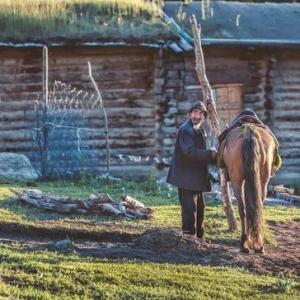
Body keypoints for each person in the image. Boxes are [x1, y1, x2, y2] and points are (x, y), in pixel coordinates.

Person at [166, 101, 218, 239]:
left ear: (204, 117)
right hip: (186, 178)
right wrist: (210, 154)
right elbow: (190, 152)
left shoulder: (199, 130)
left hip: (195, 178)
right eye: (195, 112)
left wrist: (214, 156)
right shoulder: (186, 130)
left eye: (201, 113)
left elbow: (201, 151)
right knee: (190, 210)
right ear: (189, 114)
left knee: (199, 209)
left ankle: (199, 238)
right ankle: (189, 239)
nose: (197, 116)